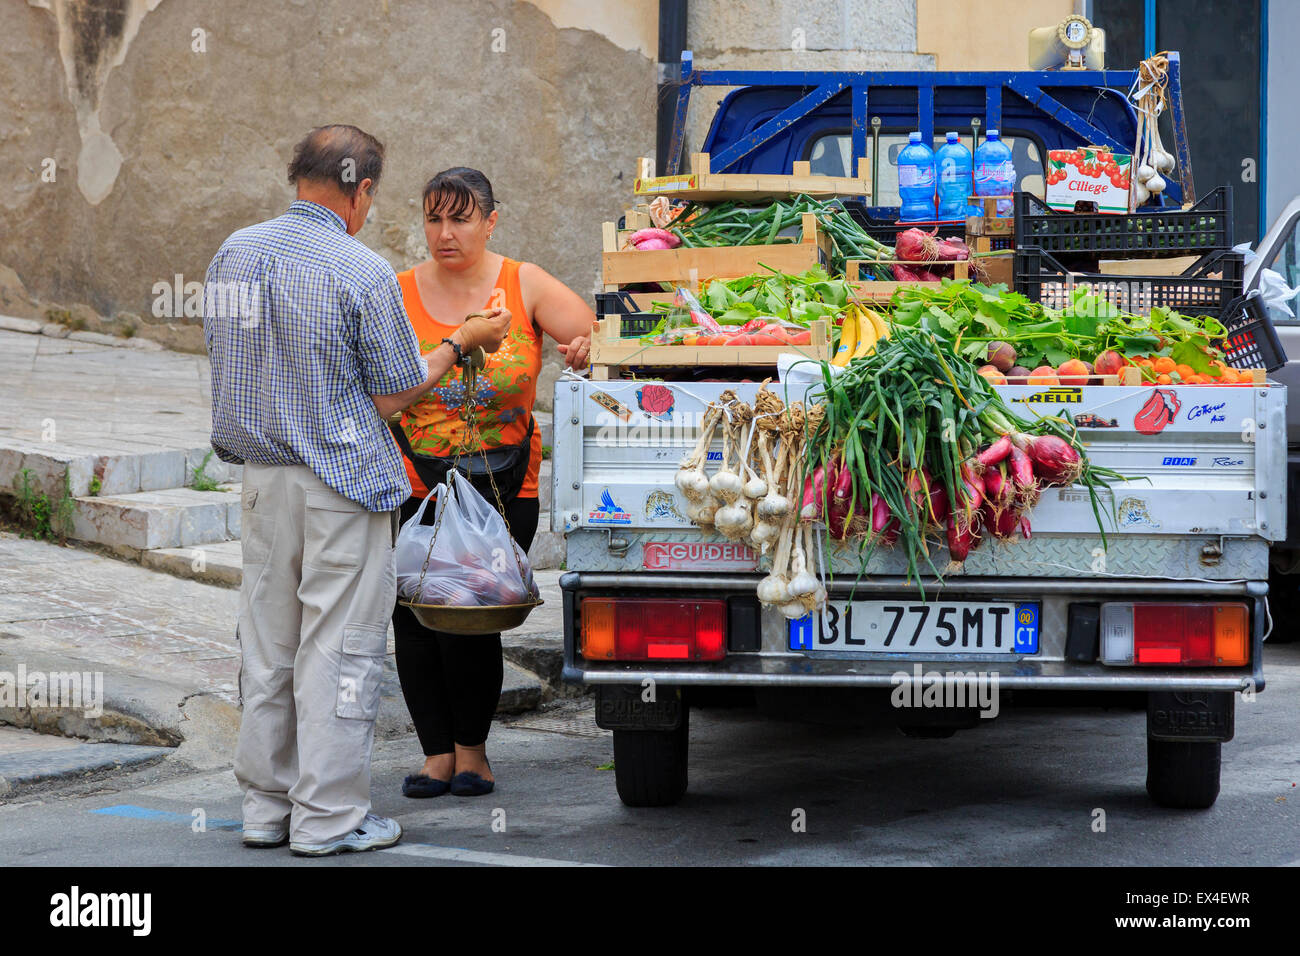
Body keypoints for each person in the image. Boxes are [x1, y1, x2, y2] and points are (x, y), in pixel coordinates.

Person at [204, 128, 511, 856]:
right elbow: (397, 392)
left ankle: (264, 811)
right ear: (361, 189)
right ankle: (328, 820)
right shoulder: (360, 269)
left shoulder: (233, 252)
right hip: (339, 486)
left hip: (261, 483)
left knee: (269, 647)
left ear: (298, 174)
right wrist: (461, 341)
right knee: (338, 654)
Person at [391, 167, 595, 798]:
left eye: (460, 218)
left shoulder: (521, 282)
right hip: (414, 483)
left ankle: (472, 752)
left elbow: (591, 333)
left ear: (490, 220)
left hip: (505, 487)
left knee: (472, 614)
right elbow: (383, 386)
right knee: (416, 619)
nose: (445, 233)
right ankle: (435, 755)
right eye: (433, 218)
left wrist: (583, 347)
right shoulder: (394, 291)